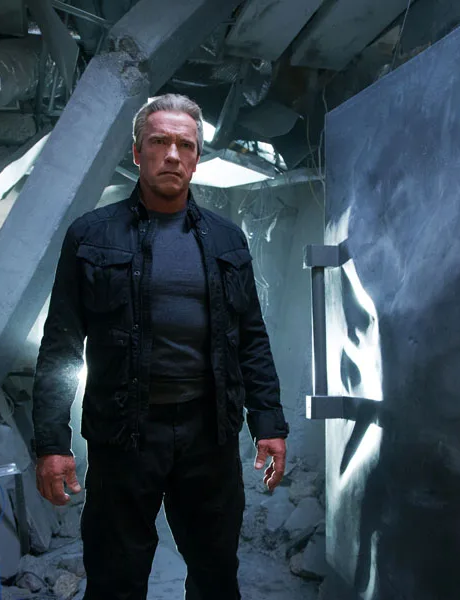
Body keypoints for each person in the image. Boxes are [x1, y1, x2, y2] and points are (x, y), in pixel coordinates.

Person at [31, 93, 290, 600]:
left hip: (209, 433)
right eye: (159, 142)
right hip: (124, 433)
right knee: (115, 578)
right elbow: (61, 343)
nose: (172, 154)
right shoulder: (91, 236)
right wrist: (52, 444)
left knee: (216, 575)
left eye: (184, 145)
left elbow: (251, 338)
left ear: (196, 158)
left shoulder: (227, 240)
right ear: (136, 152)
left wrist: (269, 423)